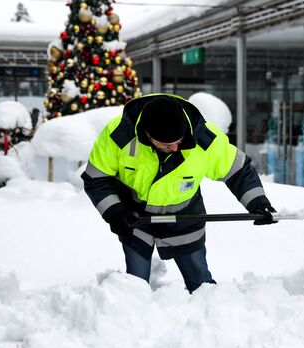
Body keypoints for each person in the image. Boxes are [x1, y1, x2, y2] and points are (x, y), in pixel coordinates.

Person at [81, 94, 277, 292]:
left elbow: (239, 171)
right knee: (134, 287)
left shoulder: (203, 139)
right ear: (147, 135)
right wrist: (115, 213)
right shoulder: (120, 135)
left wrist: (258, 202)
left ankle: (210, 318)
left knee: (201, 284)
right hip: (135, 218)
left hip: (185, 217)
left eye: (179, 140)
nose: (175, 148)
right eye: (167, 145)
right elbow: (96, 180)